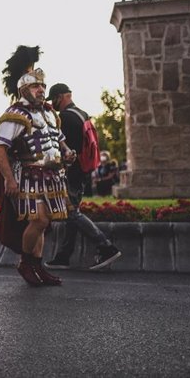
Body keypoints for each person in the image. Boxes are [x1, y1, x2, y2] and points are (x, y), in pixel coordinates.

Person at [0, 45, 75, 287]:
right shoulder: (15, 114)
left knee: (44, 223)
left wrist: (68, 153)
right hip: (28, 175)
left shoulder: (49, 113)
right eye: (35, 86)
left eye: (42, 86)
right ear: (23, 89)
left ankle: (39, 267)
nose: (41, 90)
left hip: (51, 175)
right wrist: (10, 179)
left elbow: (58, 139)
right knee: (39, 220)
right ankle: (25, 263)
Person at [45, 84, 121, 270]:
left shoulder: (65, 117)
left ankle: (106, 246)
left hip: (72, 172)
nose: (52, 103)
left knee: (71, 213)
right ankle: (64, 256)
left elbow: (65, 150)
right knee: (71, 214)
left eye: (53, 99)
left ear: (61, 97)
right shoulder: (82, 114)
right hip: (83, 171)